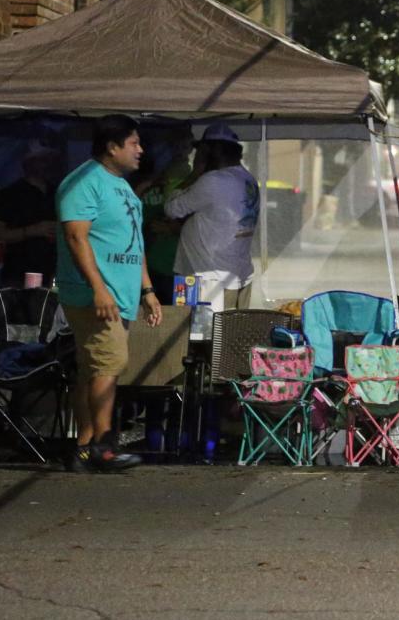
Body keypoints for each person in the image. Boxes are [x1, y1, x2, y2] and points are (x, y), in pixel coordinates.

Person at [56, 115, 162, 472]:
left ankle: (84, 449)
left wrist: (147, 289)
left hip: (123, 293)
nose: (140, 150)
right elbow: (75, 236)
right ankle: (104, 444)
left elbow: (134, 241)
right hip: (96, 295)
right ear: (111, 147)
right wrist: (99, 288)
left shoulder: (122, 187)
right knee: (109, 363)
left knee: (93, 370)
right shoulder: (85, 181)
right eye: (133, 143)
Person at [164, 123, 260, 311]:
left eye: (200, 151)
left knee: (196, 337)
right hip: (236, 276)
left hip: (205, 280)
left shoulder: (213, 180)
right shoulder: (248, 179)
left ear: (209, 152)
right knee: (229, 338)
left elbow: (171, 208)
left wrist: (195, 173)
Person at [0, 145, 63, 287]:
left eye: (49, 160)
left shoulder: (59, 193)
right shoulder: (8, 195)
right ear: (28, 163)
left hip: (54, 271)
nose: (47, 164)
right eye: (42, 160)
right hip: (18, 274)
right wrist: (32, 231)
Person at [133, 126, 194, 304]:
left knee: (181, 317)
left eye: (187, 144)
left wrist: (176, 227)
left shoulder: (194, 178)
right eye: (176, 143)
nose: (181, 149)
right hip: (149, 262)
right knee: (146, 317)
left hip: (181, 265)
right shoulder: (140, 179)